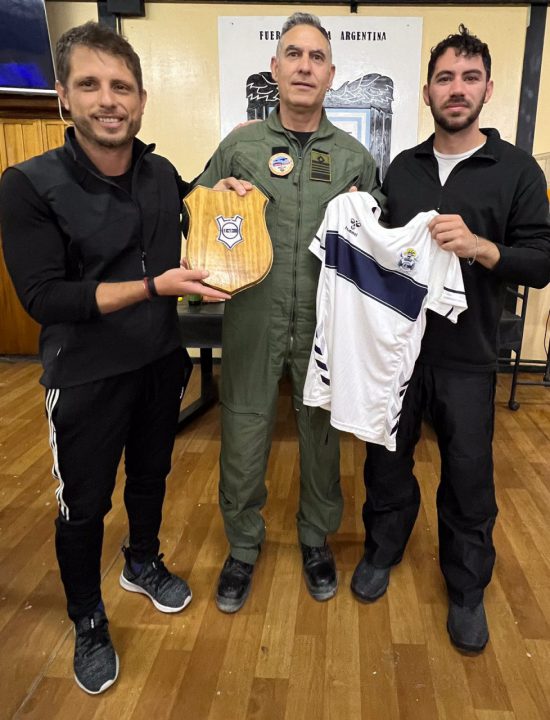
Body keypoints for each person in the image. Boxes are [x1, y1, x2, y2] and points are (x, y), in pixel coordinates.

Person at [0, 22, 237, 695]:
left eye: (121, 87)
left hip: (160, 361)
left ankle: (141, 561)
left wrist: (225, 196)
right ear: (63, 98)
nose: (108, 100)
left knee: (151, 478)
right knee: (83, 505)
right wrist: (153, 287)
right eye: (90, 85)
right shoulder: (27, 184)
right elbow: (45, 297)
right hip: (84, 376)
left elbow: (197, 210)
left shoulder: (159, 173)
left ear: (141, 99)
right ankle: (88, 616)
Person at [351, 25, 550, 653]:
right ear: (427, 91)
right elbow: (381, 248)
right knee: (386, 462)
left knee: (468, 476)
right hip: (397, 354)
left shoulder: (516, 170)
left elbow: (542, 261)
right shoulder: (403, 168)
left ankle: (466, 588)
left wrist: (483, 247)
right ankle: (383, 550)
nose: (456, 89)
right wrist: (357, 212)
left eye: (469, 78)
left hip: (468, 357)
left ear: (487, 89)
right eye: (445, 78)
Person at [197, 12, 384, 613]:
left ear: (331, 74)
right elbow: (194, 207)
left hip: (327, 320)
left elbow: (379, 231)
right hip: (253, 314)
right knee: (244, 426)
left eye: (317, 57)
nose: (305, 67)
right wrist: (211, 196)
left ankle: (314, 538)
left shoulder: (354, 158)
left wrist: (369, 209)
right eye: (294, 55)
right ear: (274, 68)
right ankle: (242, 546)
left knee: (321, 432)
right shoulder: (240, 147)